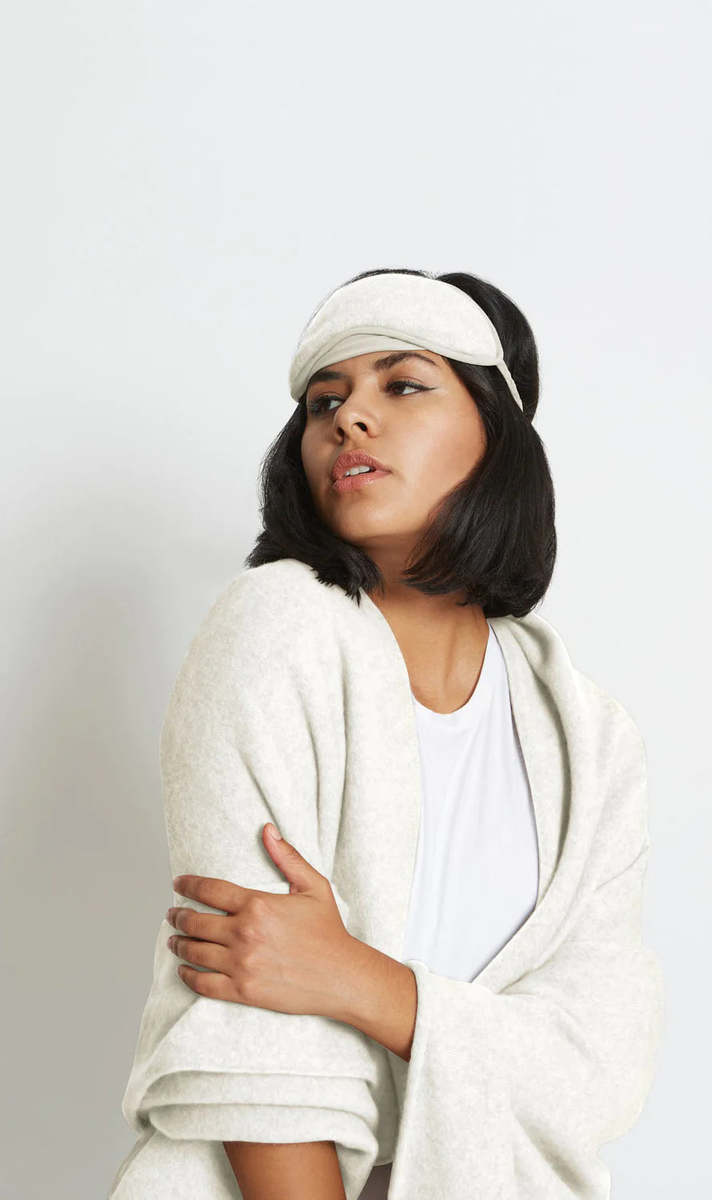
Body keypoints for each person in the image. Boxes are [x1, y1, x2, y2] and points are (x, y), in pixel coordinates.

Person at [112, 266, 662, 1200]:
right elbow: (248, 1021)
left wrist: (359, 981)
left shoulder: (586, 736)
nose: (350, 419)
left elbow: (601, 1064)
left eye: (403, 385)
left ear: (498, 435)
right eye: (325, 401)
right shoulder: (277, 628)